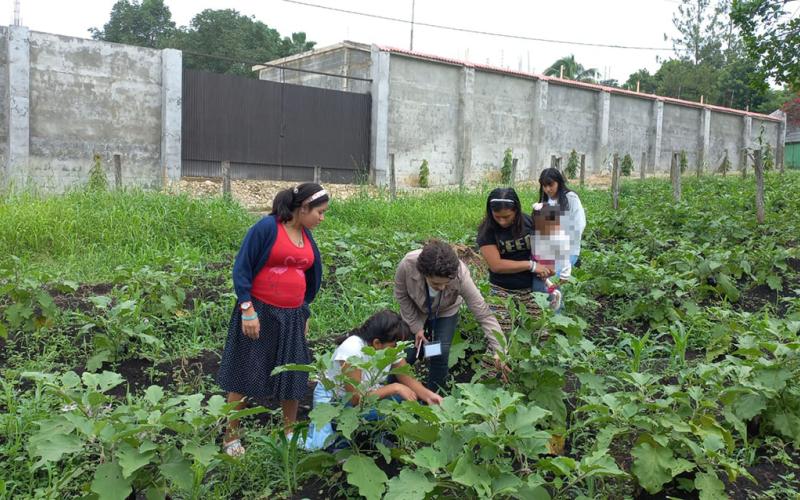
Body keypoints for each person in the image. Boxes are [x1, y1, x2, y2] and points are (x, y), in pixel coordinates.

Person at [217, 182, 329, 457]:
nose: (322, 218)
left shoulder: (305, 235)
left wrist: (304, 310)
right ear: (303, 208)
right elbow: (242, 267)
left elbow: (311, 275)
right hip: (261, 312)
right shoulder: (267, 228)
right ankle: (231, 437)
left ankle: (289, 433)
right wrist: (247, 309)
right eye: (320, 212)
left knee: (292, 373)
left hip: (292, 316)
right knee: (246, 372)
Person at [304, 310, 443, 450]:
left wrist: (429, 396)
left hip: (367, 394)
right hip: (336, 400)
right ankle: (342, 434)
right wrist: (394, 387)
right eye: (394, 344)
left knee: (406, 400)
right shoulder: (352, 349)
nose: (397, 348)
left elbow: (407, 378)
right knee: (322, 445)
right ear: (377, 343)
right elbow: (356, 400)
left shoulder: (390, 348)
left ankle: (371, 432)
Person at [394, 239, 506, 393]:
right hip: (416, 310)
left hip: (445, 310)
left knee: (441, 351)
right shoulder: (407, 265)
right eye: (435, 284)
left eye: (446, 283)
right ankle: (390, 388)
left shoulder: (461, 276)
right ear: (424, 274)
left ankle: (434, 397)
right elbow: (402, 295)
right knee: (408, 352)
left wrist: (499, 349)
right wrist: (416, 327)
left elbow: (484, 315)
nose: (441, 288)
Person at [477, 187, 555, 323]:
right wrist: (531, 265)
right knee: (501, 333)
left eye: (507, 216)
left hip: (532, 288)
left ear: (516, 210)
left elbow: (544, 249)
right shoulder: (486, 231)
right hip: (501, 289)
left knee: (540, 330)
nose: (502, 221)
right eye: (497, 216)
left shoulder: (529, 223)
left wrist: (547, 267)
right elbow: (497, 266)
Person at [537, 168, 586, 267]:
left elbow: (579, 224)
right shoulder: (545, 201)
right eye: (544, 186)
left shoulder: (570, 198)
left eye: (551, 185)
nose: (547, 189)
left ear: (559, 183)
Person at [531, 203, 572, 311]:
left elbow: (565, 257)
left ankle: (553, 301)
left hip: (551, 270)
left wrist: (565, 274)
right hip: (537, 269)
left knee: (540, 290)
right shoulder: (534, 235)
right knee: (545, 286)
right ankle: (554, 299)